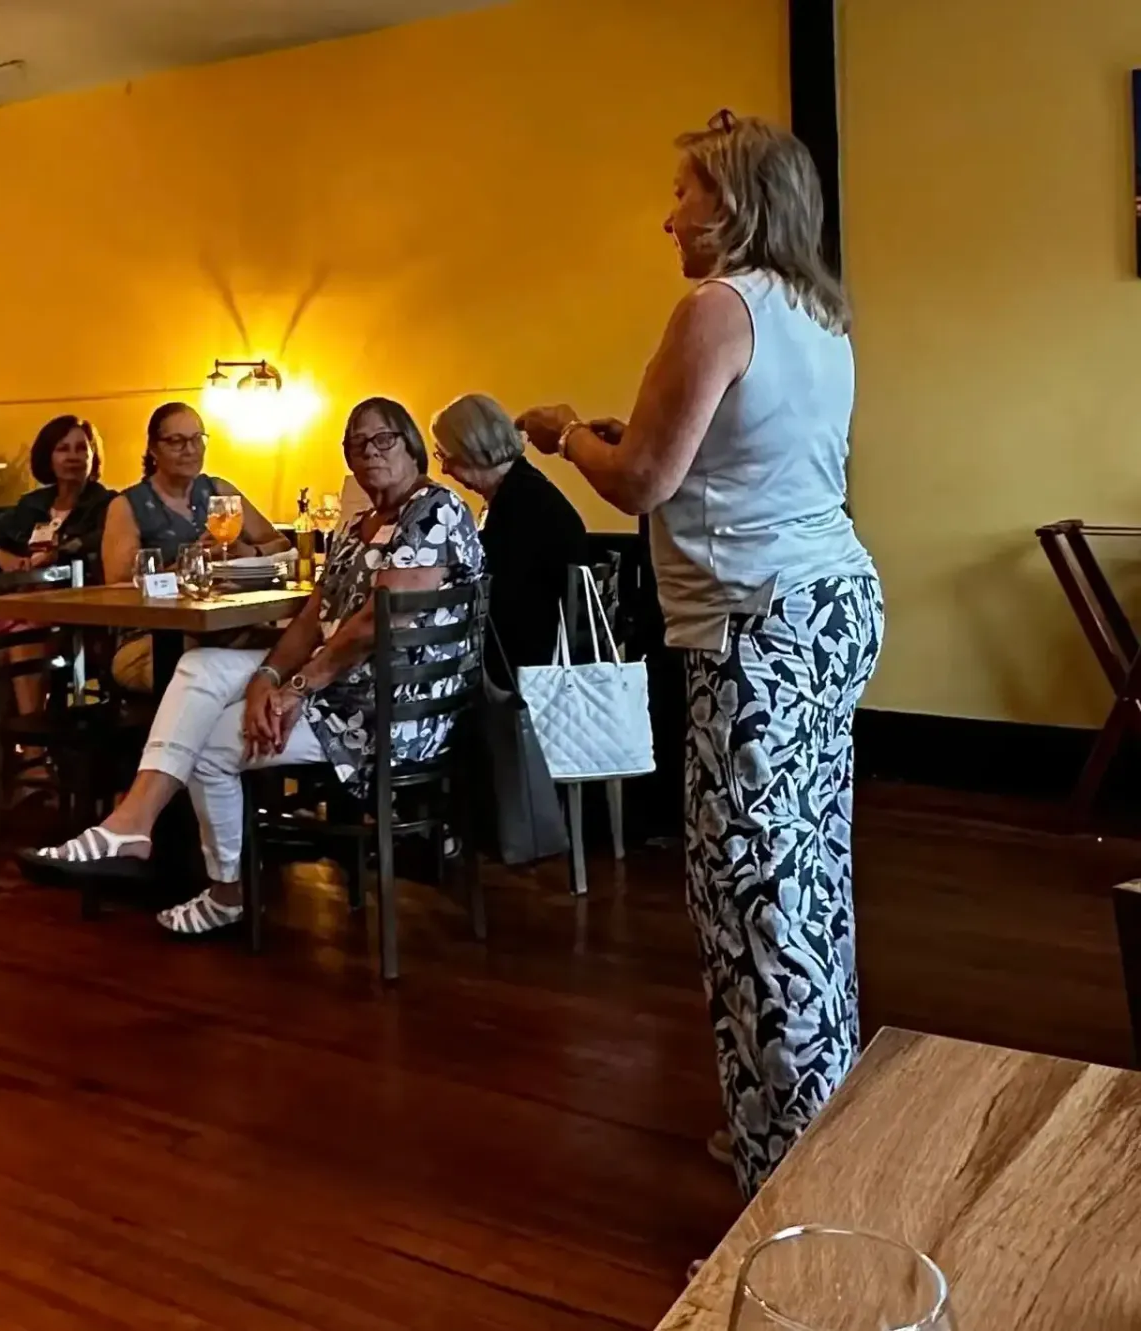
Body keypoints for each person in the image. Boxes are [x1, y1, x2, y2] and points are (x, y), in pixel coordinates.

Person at [514, 111, 882, 1198]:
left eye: (682, 192)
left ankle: (792, 1181)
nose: (667, 214)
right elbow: (721, 452)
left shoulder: (715, 308)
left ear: (729, 204)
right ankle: (811, 1117)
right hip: (831, 603)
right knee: (808, 878)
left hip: (755, 624)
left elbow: (641, 483)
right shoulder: (819, 312)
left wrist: (567, 433)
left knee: (753, 898)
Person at [23, 397, 484, 937]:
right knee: (198, 666)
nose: (369, 452)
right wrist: (268, 677)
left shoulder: (434, 510)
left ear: (412, 449)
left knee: (212, 746)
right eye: (357, 444)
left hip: (388, 707)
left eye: (383, 440)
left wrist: (294, 689)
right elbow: (316, 616)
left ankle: (226, 893)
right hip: (340, 684)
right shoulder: (360, 524)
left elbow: (373, 627)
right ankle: (134, 823)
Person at [99, 403, 291, 690]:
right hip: (151, 642)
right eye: (176, 441)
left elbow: (280, 544)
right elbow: (118, 586)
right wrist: (187, 565)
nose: (189, 449)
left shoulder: (218, 491)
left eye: (196, 439)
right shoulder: (127, 506)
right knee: (209, 672)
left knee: (302, 650)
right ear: (153, 449)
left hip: (227, 629)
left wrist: (248, 552)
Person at [431, 393, 587, 676]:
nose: (444, 468)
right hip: (540, 658)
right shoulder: (523, 489)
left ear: (471, 450)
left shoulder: (521, 506)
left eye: (446, 455)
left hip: (526, 672)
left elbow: (497, 602)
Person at [0, 416, 112, 574]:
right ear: (48, 458)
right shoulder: (31, 505)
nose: (72, 457)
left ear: (93, 457)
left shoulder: (110, 505)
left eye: (81, 448)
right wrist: (0, 556)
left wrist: (58, 554)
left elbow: (98, 544)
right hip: (27, 594)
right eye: (63, 449)